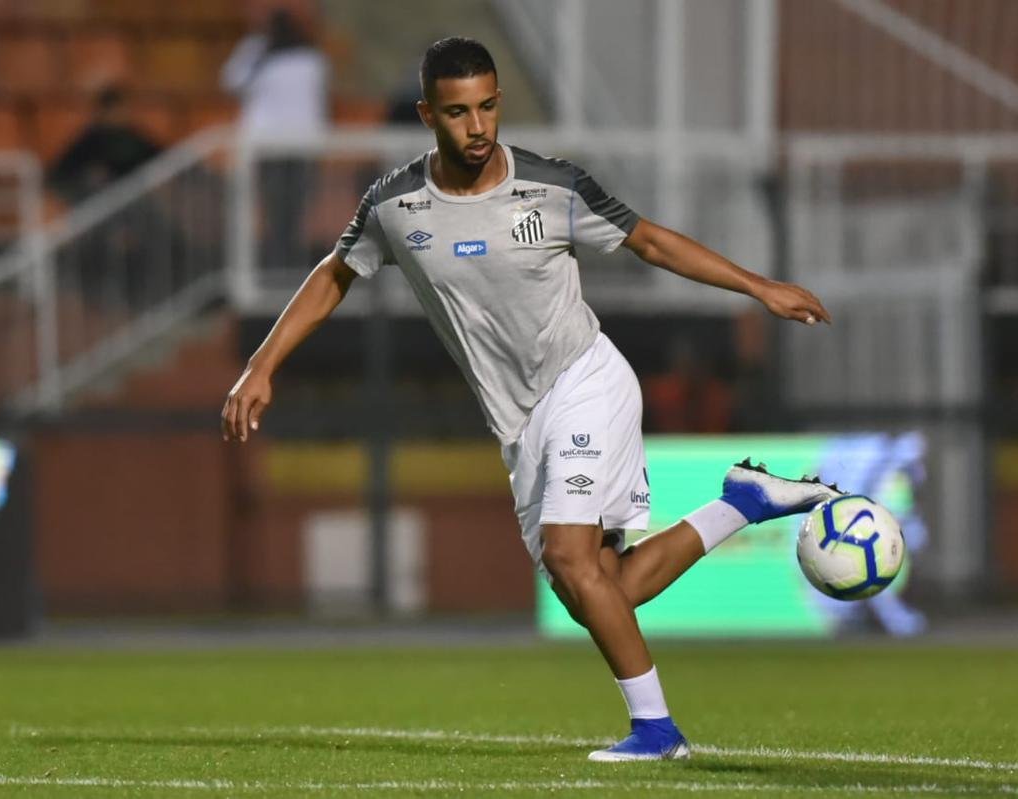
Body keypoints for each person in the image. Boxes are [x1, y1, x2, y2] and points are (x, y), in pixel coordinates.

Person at [222, 37, 838, 762]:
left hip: (585, 380)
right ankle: (745, 501)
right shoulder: (395, 205)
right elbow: (334, 273)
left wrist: (759, 286)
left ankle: (657, 730)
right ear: (427, 114)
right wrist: (262, 362)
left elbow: (651, 243)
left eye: (488, 106)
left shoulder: (553, 187)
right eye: (457, 113)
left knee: (571, 557)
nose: (477, 127)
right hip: (519, 421)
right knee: (602, 590)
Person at [221, 7, 329, 270]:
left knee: (286, 211)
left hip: (288, 145)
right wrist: (257, 51)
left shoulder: (308, 60)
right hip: (278, 146)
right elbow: (231, 81)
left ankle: (284, 262)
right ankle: (280, 261)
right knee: (283, 211)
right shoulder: (262, 53)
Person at [47, 85, 161, 204]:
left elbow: (165, 163)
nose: (115, 116)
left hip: (135, 199)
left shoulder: (134, 137)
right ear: (101, 113)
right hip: (96, 202)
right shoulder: (91, 138)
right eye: (110, 111)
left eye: (119, 110)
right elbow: (61, 174)